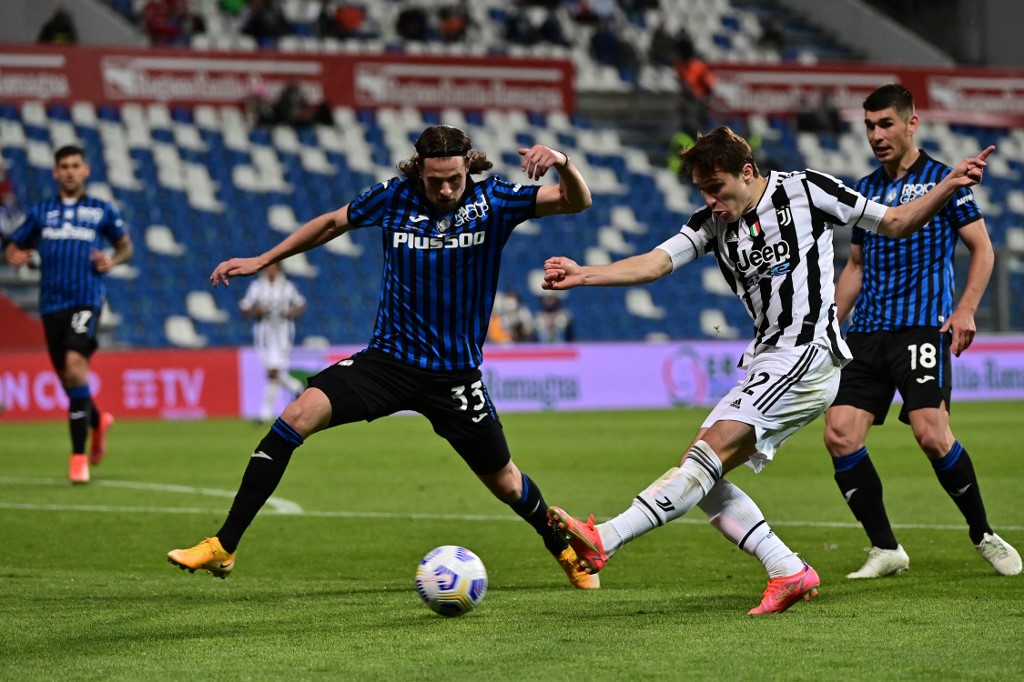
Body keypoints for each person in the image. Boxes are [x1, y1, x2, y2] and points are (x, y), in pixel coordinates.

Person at [541, 125, 994, 614]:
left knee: (705, 454)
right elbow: (655, 263)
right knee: (703, 472)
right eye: (703, 191)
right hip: (767, 357)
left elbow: (898, 222)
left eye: (717, 188)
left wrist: (947, 184)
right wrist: (585, 274)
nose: (711, 201)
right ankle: (788, 569)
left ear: (748, 172)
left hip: (808, 352)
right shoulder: (712, 223)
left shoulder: (806, 190)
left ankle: (604, 538)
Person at [167, 125, 600, 590]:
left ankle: (561, 545)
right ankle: (224, 545)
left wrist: (563, 161)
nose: (446, 189)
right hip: (388, 363)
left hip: (454, 377)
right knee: (297, 413)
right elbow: (333, 222)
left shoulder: (495, 200)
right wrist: (262, 259)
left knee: (507, 483)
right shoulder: (394, 197)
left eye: (454, 178)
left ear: (469, 166)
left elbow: (576, 202)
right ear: (419, 171)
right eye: (435, 180)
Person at [824, 84, 1021, 579]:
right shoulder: (864, 188)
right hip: (867, 332)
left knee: (932, 435)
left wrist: (967, 310)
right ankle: (885, 548)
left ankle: (983, 534)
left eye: (886, 123)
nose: (876, 134)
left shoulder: (945, 180)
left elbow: (983, 248)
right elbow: (855, 267)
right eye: (869, 126)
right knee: (840, 434)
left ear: (912, 124)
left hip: (920, 327)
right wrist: (826, 326)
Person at [4, 144, 133, 484]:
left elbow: (125, 246)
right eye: (64, 166)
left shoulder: (101, 210)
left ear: (86, 170)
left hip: (86, 300)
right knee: (69, 380)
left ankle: (78, 458)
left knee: (76, 366)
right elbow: (14, 243)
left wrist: (112, 261)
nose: (71, 171)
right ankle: (97, 421)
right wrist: (14, 254)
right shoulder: (42, 211)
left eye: (76, 165)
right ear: (56, 173)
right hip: (51, 305)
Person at [239, 261, 307, 424]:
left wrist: (290, 313)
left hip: (282, 332)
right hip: (264, 332)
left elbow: (301, 304)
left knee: (274, 372)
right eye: (267, 267)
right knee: (272, 372)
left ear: (279, 268)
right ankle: (296, 387)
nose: (270, 270)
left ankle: (265, 414)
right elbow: (244, 308)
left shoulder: (287, 286)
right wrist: (256, 311)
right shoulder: (257, 286)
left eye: (273, 267)